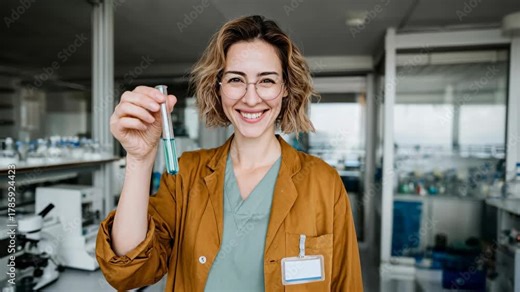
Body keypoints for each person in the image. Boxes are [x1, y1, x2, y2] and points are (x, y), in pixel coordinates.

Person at [96, 15, 363, 292]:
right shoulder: (186, 173)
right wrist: (139, 159)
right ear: (218, 86)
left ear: (285, 88)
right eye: (236, 79)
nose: (250, 98)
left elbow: (347, 284)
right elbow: (128, 270)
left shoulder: (323, 181)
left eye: (267, 81)